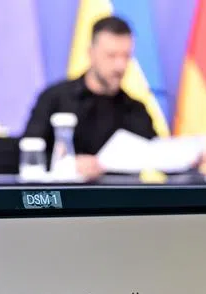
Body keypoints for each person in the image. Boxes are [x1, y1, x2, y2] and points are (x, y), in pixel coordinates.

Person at [22, 16, 156, 181]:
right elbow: (27, 154)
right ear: (91, 53)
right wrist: (68, 164)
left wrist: (186, 161)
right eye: (111, 56)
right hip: (62, 201)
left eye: (126, 56)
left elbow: (156, 156)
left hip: (121, 202)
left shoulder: (135, 110)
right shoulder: (55, 98)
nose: (120, 66)